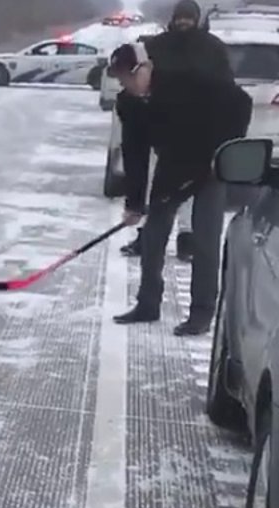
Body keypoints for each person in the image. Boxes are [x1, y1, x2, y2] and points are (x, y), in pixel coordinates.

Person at [107, 37, 251, 336]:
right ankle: (147, 304)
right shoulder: (129, 103)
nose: (128, 84)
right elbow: (135, 154)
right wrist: (134, 204)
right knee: (153, 233)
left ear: (146, 67)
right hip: (173, 165)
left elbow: (241, 103)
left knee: (205, 240)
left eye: (131, 75)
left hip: (210, 164)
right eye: (122, 79)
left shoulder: (186, 82)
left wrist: (225, 149)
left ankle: (201, 313)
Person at [120, 0, 231, 260]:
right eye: (180, 18)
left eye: (188, 18)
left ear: (197, 20)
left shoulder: (211, 50)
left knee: (186, 191)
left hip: (199, 135)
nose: (183, 23)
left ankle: (183, 239)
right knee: (162, 191)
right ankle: (152, 237)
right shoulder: (159, 48)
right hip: (166, 133)